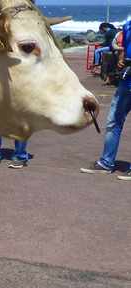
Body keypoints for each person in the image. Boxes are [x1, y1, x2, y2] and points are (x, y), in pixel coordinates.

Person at [81, 21, 131, 181]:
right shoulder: (128, 25)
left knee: (114, 122)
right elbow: (122, 46)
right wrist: (121, 59)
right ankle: (106, 163)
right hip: (126, 82)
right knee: (113, 122)